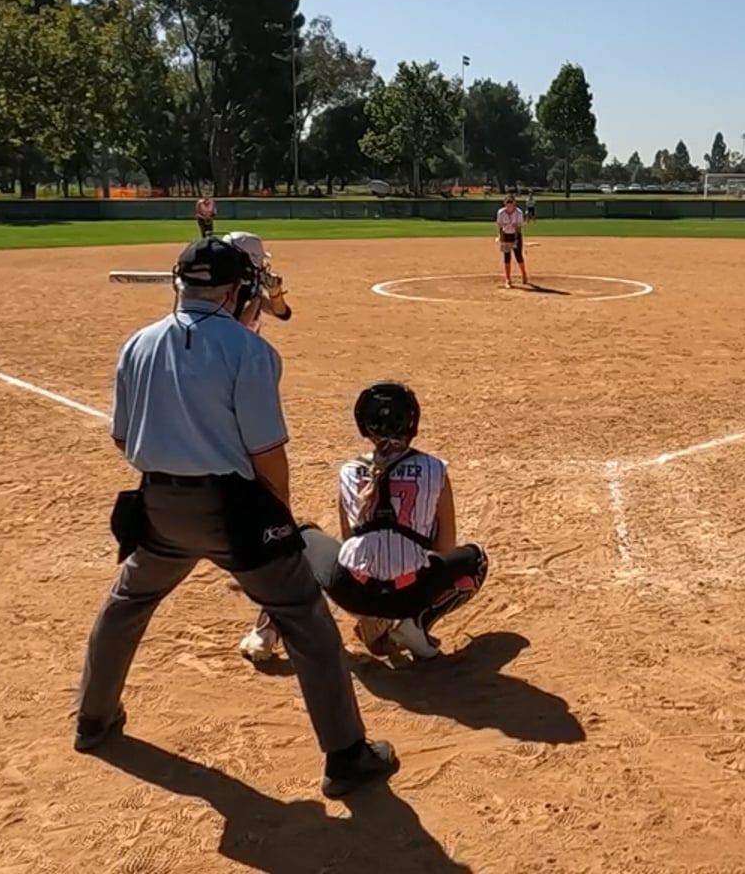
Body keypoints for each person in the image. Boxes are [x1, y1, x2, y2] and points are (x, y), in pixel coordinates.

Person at [73, 237, 397, 798]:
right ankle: (346, 755)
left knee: (126, 603)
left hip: (157, 505)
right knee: (302, 615)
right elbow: (266, 452)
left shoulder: (137, 343)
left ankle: (92, 719)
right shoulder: (249, 351)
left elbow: (122, 438)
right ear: (237, 290)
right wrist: (279, 520)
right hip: (233, 507)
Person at [239, 381, 488, 664]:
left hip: (353, 592)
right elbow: (445, 547)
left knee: (301, 537)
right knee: (475, 559)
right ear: (412, 421)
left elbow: (350, 541)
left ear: (364, 425)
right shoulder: (435, 469)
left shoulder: (348, 471)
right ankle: (415, 624)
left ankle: (265, 632)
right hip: (411, 594)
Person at [223, 231, 292, 332]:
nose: (262, 264)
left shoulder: (247, 282)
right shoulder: (220, 289)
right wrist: (257, 298)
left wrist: (275, 294)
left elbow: (283, 313)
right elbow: (236, 330)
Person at [496, 193, 529, 288]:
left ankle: (523, 273)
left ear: (514, 203)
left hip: (515, 235)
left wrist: (516, 239)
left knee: (518, 256)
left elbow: (519, 227)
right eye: (507, 202)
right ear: (504, 203)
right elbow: (500, 226)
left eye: (511, 202)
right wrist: (501, 237)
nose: (509, 204)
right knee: (507, 257)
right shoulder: (501, 212)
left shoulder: (518, 212)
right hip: (506, 235)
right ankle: (508, 279)